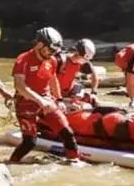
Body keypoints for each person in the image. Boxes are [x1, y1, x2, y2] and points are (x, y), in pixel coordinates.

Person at [9, 27, 83, 164]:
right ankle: (11, 163)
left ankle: (74, 161)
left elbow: (53, 79)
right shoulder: (23, 60)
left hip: (47, 100)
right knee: (29, 142)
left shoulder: (52, 60)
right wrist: (40, 100)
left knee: (67, 132)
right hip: (25, 103)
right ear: (39, 45)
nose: (51, 54)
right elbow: (20, 86)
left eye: (54, 51)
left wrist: (59, 99)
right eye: (50, 50)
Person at [55, 38, 99, 106]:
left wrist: (94, 93)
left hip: (70, 92)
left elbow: (94, 76)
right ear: (77, 53)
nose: (85, 61)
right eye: (84, 58)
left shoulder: (84, 63)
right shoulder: (61, 60)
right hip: (56, 94)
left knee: (93, 101)